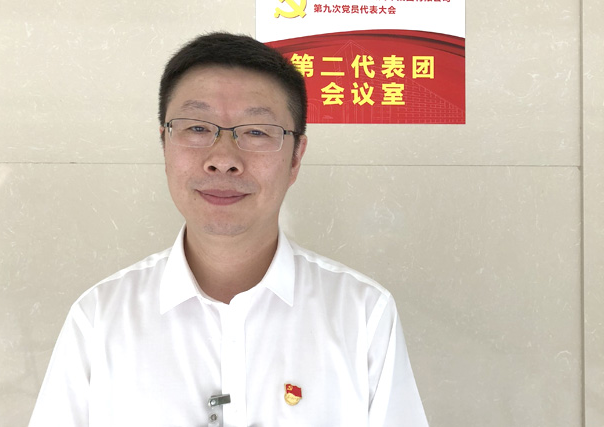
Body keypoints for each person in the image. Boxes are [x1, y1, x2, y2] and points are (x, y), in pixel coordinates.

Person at [29, 32, 428, 426]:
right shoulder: (100, 318)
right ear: (164, 144)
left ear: (295, 158)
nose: (223, 159)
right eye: (197, 128)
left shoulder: (362, 315)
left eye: (256, 131)